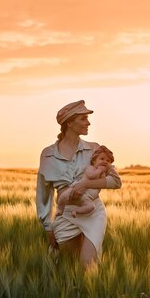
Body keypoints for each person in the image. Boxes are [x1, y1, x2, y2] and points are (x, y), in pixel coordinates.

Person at [36, 100, 122, 269]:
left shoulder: (95, 150)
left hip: (92, 212)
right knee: (68, 265)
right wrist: (48, 226)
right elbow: (44, 194)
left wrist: (85, 184)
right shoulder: (48, 155)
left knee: (87, 266)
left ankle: (90, 294)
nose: (88, 122)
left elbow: (115, 182)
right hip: (66, 214)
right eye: (83, 118)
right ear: (69, 122)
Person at [56, 145, 115, 217]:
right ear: (94, 160)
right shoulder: (91, 168)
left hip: (87, 198)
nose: (105, 162)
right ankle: (60, 208)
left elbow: (103, 182)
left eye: (108, 161)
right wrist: (99, 170)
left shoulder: (103, 173)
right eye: (102, 159)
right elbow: (91, 175)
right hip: (76, 188)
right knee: (64, 195)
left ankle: (76, 211)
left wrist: (106, 171)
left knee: (91, 207)